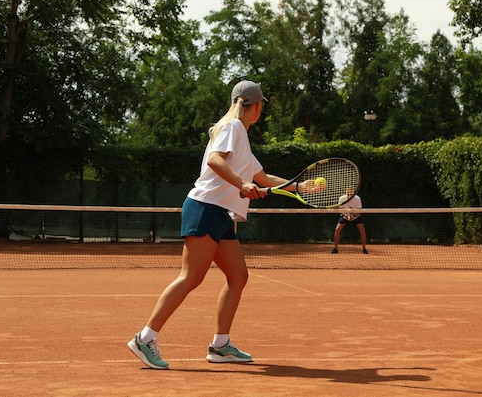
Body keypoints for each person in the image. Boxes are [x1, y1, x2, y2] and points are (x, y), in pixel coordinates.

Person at [127, 80, 315, 369]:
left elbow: (263, 179)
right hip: (204, 208)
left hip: (221, 214)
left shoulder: (241, 138)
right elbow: (216, 161)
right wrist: (242, 183)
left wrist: (301, 187)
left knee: (238, 276)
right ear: (257, 107)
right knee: (191, 277)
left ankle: (220, 345)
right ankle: (144, 337)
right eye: (261, 105)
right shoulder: (233, 128)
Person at [331, 188, 368, 254]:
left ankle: (364, 248)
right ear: (346, 192)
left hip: (356, 216)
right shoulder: (342, 198)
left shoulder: (357, 199)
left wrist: (353, 216)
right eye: (348, 193)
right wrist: (346, 216)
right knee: (337, 228)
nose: (349, 195)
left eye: (351, 194)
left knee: (362, 228)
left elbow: (359, 211)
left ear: (353, 193)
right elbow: (340, 210)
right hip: (345, 216)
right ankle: (336, 248)